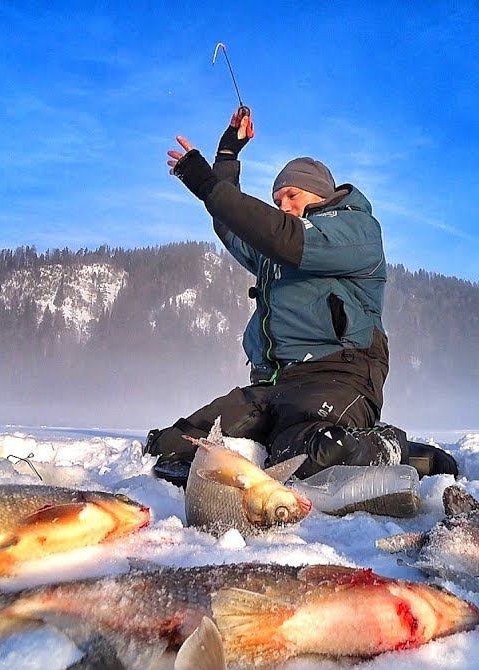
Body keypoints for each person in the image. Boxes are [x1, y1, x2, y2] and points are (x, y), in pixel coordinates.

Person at [143, 108, 458, 485]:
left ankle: (395, 450)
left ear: (320, 193)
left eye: (291, 195)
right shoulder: (276, 248)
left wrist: (210, 187)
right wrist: (228, 155)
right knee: (176, 444)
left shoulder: (355, 230)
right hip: (275, 382)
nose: (283, 206)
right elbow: (236, 225)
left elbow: (283, 236)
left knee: (305, 458)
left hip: (340, 374)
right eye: (277, 201)